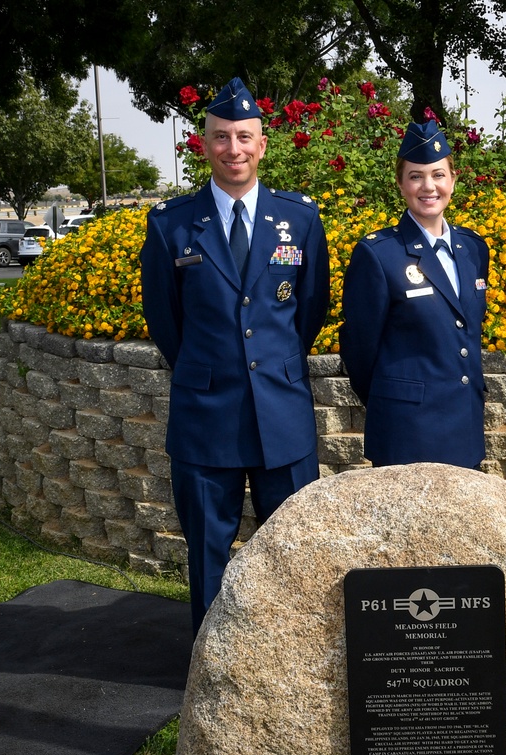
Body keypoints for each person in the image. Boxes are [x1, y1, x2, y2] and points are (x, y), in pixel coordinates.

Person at [140, 77, 330, 632]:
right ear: (205, 143)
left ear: (262, 143)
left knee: (294, 553)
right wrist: (208, 370)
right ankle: (209, 673)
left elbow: (309, 310)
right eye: (222, 137)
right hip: (206, 418)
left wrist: (275, 367)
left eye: (245, 137)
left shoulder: (299, 219)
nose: (234, 149)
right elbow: (165, 320)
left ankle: (293, 662)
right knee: (208, 557)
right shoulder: (172, 224)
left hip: (282, 415)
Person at [339, 121, 491, 469]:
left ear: (453, 180)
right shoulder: (379, 254)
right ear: (400, 183)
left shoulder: (473, 248)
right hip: (405, 430)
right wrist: (392, 399)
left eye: (438, 175)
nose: (428, 186)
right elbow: (361, 349)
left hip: (464, 426)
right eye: (415, 176)